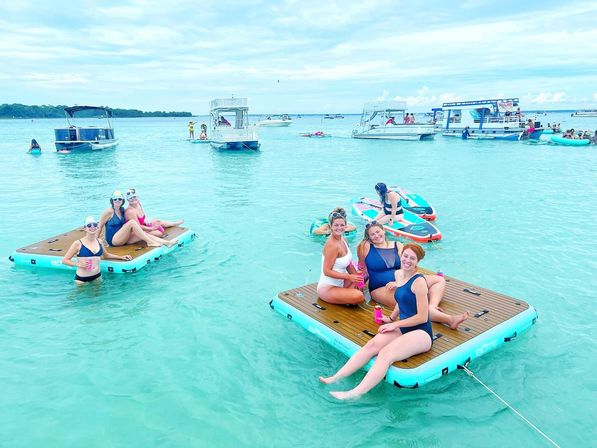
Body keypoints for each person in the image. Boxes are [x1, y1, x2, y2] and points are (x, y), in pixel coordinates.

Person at [320, 243, 433, 400]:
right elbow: (402, 300)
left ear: (418, 262)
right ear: (401, 256)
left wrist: (395, 324)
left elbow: (422, 316)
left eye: (412, 258)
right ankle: (336, 377)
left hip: (421, 332)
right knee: (371, 345)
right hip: (403, 326)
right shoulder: (399, 274)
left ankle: (355, 393)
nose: (407, 260)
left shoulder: (419, 282)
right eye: (405, 256)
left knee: (386, 354)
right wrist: (392, 318)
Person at [357, 221, 469, 328]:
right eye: (372, 234)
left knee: (439, 280)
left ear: (383, 231)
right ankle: (450, 320)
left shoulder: (397, 244)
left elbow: (406, 266)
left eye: (378, 232)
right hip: (381, 287)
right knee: (413, 305)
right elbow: (361, 268)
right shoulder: (365, 247)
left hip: (402, 281)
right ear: (369, 237)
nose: (376, 235)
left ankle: (433, 306)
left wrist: (398, 282)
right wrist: (359, 287)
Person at [62, 216, 132, 284]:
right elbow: (65, 260)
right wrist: (78, 264)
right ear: (85, 228)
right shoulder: (78, 243)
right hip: (82, 280)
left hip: (97, 277)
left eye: (94, 225)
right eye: (89, 225)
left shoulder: (99, 241)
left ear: (97, 227)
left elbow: (106, 255)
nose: (92, 227)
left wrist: (121, 257)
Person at [316, 210, 364, 305]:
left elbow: (348, 264)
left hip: (341, 282)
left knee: (362, 277)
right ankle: (347, 298)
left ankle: (346, 297)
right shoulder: (332, 245)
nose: (339, 228)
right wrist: (349, 277)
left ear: (346, 226)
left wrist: (357, 278)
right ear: (330, 227)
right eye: (336, 225)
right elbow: (326, 271)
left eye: (342, 225)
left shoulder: (343, 239)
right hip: (328, 288)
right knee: (359, 296)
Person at [98, 191, 177, 248]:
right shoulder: (109, 211)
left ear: (122, 200)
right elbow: (100, 226)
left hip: (123, 237)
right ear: (112, 201)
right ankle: (150, 242)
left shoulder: (122, 210)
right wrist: (95, 241)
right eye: (115, 199)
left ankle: (167, 243)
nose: (117, 200)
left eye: (120, 199)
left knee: (143, 234)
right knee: (132, 222)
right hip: (113, 240)